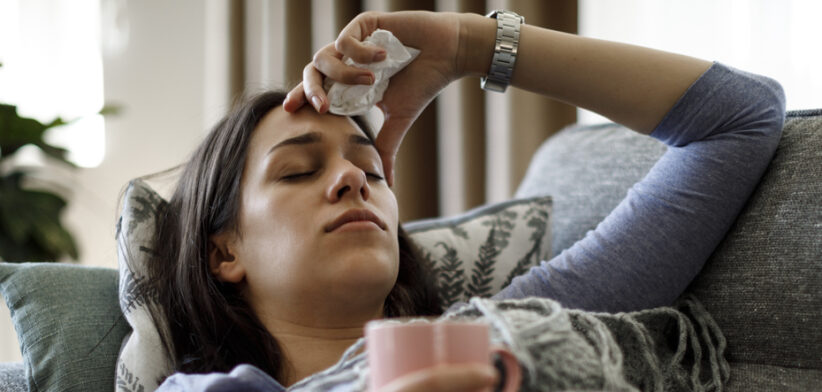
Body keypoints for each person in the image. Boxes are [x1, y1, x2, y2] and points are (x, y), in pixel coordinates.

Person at [151, 10, 785, 392]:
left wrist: (470, 44)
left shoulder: (504, 329)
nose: (353, 180)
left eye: (370, 166)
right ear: (222, 252)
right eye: (295, 172)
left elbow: (740, 118)